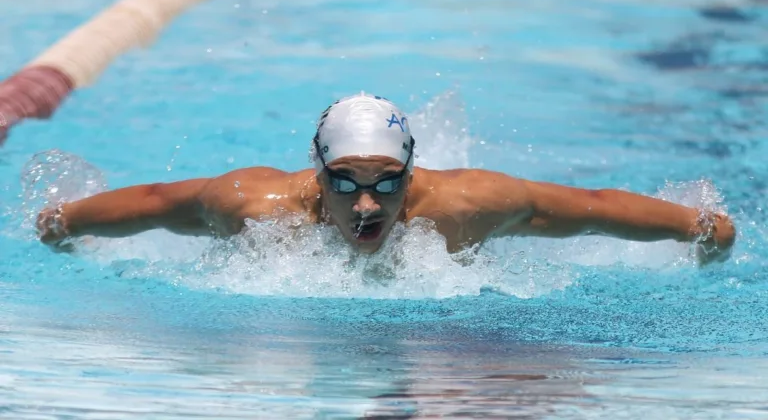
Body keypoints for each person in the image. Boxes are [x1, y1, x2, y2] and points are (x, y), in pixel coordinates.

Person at [36, 92, 735, 265]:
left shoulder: (466, 205)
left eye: (386, 183)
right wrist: (66, 221)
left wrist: (700, 227)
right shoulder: (257, 206)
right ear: (316, 171)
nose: (367, 204)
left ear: (411, 171)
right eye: (343, 182)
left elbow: (588, 205)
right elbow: (162, 202)